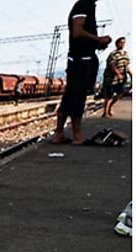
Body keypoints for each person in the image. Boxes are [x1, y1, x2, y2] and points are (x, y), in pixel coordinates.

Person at [54, 0, 112, 144]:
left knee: (69, 96)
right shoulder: (83, 4)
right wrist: (98, 39)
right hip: (80, 59)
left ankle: (59, 134)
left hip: (81, 57)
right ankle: (77, 136)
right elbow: (77, 32)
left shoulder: (88, 5)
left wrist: (97, 43)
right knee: (78, 96)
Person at [102, 37, 131, 118]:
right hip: (111, 79)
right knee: (109, 95)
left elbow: (127, 66)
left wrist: (130, 74)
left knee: (120, 93)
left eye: (124, 42)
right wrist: (118, 73)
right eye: (120, 42)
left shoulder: (126, 54)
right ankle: (105, 112)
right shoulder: (113, 54)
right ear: (117, 44)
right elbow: (112, 65)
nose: (122, 44)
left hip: (121, 79)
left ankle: (110, 107)